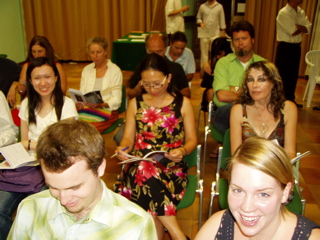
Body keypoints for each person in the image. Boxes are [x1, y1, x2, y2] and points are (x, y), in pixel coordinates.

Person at [8, 120, 157, 240]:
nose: (64, 200)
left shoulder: (136, 224)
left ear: (99, 168)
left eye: (74, 188)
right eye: (53, 187)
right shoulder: (30, 208)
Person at [114, 53, 197, 240]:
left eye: (157, 83)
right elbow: (128, 139)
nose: (152, 89)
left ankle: (174, 233)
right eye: (146, 84)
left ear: (169, 78)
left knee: (148, 185)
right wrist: (123, 150)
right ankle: (177, 233)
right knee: (145, 170)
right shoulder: (136, 103)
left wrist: (182, 151)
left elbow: (192, 140)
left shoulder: (183, 104)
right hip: (138, 166)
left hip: (171, 168)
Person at [0, 57, 78, 239]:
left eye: (47, 77)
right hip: (25, 166)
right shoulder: (27, 104)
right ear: (29, 81)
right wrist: (21, 148)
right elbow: (24, 139)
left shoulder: (66, 105)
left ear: (56, 78)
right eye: (36, 78)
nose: (43, 83)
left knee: (42, 213)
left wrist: (29, 145)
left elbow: (63, 146)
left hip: (54, 166)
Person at [195, 137, 320, 240]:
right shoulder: (216, 226)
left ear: (285, 192)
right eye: (238, 190)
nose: (247, 207)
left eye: (263, 194)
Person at [230, 61, 297, 158]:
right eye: (250, 80)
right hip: (247, 168)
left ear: (273, 83)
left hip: (277, 169)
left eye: (261, 79)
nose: (254, 85)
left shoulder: (288, 109)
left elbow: (290, 153)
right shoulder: (238, 110)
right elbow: (235, 155)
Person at [213, 20, 266, 135]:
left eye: (244, 38)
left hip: (258, 111)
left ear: (252, 40)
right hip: (227, 111)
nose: (240, 43)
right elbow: (222, 95)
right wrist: (249, 94)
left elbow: (267, 94)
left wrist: (233, 89)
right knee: (236, 113)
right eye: (236, 40)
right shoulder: (223, 63)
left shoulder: (263, 64)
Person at [76, 36, 123, 133]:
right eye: (92, 53)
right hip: (87, 109)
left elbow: (117, 100)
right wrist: (80, 102)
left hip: (108, 110)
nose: (95, 56)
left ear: (105, 51)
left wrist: (101, 104)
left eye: (99, 52)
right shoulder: (87, 69)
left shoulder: (115, 70)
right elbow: (82, 93)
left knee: (87, 131)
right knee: (70, 125)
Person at [128, 33, 190, 99]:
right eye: (151, 52)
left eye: (158, 52)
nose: (155, 55)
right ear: (146, 50)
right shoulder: (142, 67)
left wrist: (167, 93)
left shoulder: (176, 68)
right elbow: (131, 94)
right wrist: (139, 87)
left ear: (165, 49)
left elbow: (187, 93)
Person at [275, 0, 312, 108]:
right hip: (285, 47)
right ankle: (280, 100)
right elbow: (293, 31)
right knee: (283, 75)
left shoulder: (300, 11)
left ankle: (290, 100)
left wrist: (299, 26)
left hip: (296, 47)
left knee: (293, 75)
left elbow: (308, 28)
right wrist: (301, 27)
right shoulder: (284, 12)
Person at [200, 37, 233, 112]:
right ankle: (213, 117)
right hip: (213, 89)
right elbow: (201, 77)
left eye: (220, 53)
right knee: (210, 92)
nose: (218, 56)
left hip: (228, 89)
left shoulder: (232, 60)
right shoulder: (213, 60)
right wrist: (204, 67)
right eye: (216, 54)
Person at [196, 0, 226, 67]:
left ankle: (214, 68)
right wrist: (201, 23)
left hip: (215, 33)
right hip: (204, 34)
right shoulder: (202, 6)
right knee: (204, 54)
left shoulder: (219, 6)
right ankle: (204, 69)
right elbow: (198, 18)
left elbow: (222, 20)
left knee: (215, 52)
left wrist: (223, 31)